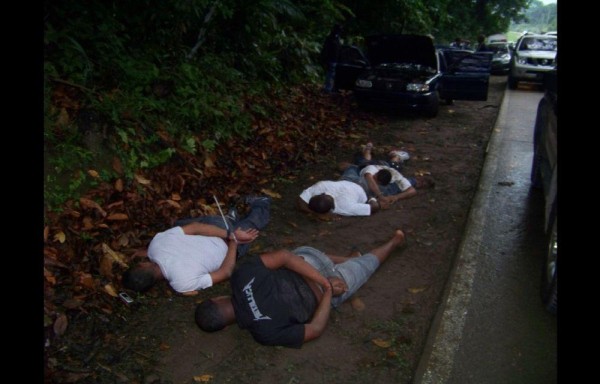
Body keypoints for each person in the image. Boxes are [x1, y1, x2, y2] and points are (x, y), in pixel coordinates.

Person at [195, 229, 407, 348]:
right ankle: (346, 261)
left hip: (325, 290)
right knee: (334, 267)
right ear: (216, 299)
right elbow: (285, 256)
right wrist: (327, 285)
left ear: (224, 326)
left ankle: (394, 241)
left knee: (363, 268)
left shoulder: (264, 333)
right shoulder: (240, 278)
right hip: (310, 259)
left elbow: (315, 329)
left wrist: (327, 288)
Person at [121, 196, 271, 295]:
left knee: (251, 226)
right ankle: (233, 216)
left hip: (229, 245)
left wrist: (233, 240)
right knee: (178, 226)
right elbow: (195, 228)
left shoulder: (181, 284)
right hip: (217, 229)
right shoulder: (156, 245)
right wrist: (231, 237)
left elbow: (225, 272)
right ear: (142, 266)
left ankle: (256, 206)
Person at [339, 143, 435, 207]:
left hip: (388, 168)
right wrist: (380, 196)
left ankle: (396, 156)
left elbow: (412, 191)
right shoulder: (371, 169)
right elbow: (369, 178)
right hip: (371, 166)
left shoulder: (397, 177)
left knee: (394, 167)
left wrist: (395, 197)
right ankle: (368, 151)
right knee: (363, 162)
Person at [320, 24, 343, 93]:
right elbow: (326, 49)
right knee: (330, 74)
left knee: (333, 74)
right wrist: (325, 58)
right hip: (331, 59)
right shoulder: (332, 38)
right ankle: (328, 89)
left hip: (335, 59)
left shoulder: (336, 38)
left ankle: (331, 88)